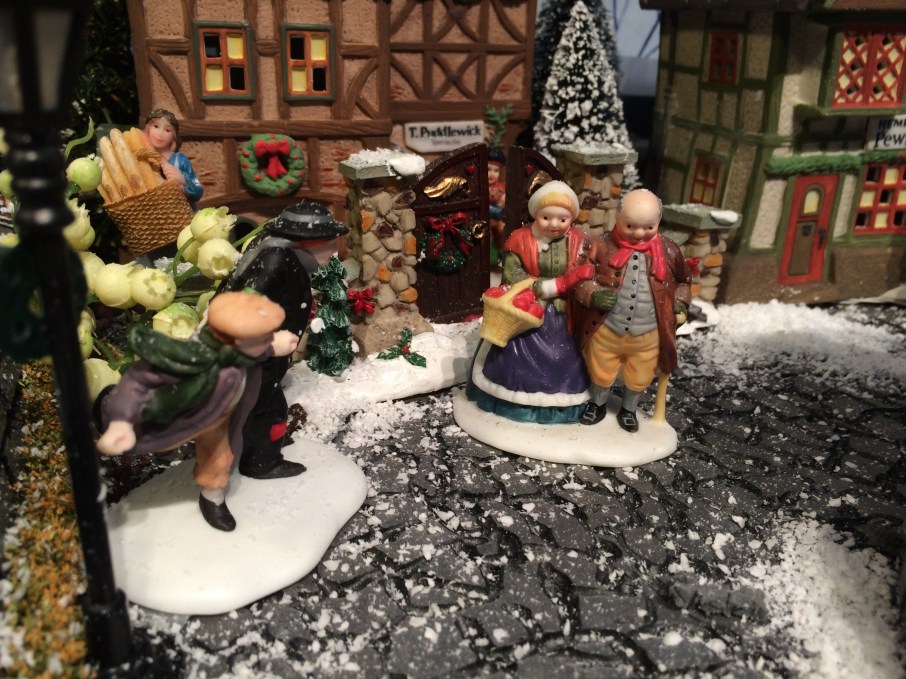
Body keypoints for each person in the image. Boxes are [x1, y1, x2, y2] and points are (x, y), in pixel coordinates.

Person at [96, 292, 299, 531]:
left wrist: (272, 346)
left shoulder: (239, 348)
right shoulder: (190, 359)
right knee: (209, 456)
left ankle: (216, 494)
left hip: (226, 412)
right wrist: (120, 421)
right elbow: (136, 382)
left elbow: (250, 350)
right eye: (264, 336)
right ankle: (212, 498)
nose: (268, 338)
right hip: (192, 416)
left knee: (226, 453)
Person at [221, 201, 348, 479]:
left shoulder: (279, 253)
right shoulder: (276, 262)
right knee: (268, 408)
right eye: (329, 243)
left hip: (261, 356)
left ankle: (262, 443)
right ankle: (262, 461)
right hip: (256, 356)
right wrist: (269, 342)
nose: (334, 251)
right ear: (306, 241)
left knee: (258, 404)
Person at [467, 181, 594, 424]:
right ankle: (511, 401)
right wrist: (546, 287)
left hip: (563, 312)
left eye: (562, 219)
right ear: (536, 214)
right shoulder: (519, 239)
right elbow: (512, 274)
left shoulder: (580, 242)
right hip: (526, 308)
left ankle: (559, 406)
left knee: (564, 356)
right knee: (513, 354)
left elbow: (585, 273)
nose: (554, 224)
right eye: (546, 217)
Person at [574, 188, 692, 432]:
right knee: (601, 369)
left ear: (658, 221)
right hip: (607, 328)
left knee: (640, 374)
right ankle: (597, 404)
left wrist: (680, 303)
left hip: (648, 333)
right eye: (630, 226)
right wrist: (593, 294)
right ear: (617, 218)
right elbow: (579, 278)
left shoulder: (669, 251)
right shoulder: (598, 245)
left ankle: (628, 409)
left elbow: (683, 282)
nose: (639, 233)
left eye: (648, 227)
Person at [143, 108, 203, 209]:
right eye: (156, 126)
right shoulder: (141, 158)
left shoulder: (180, 160)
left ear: (174, 136)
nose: (160, 134)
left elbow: (198, 192)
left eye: (167, 130)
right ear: (147, 128)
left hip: (181, 213)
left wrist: (183, 180)